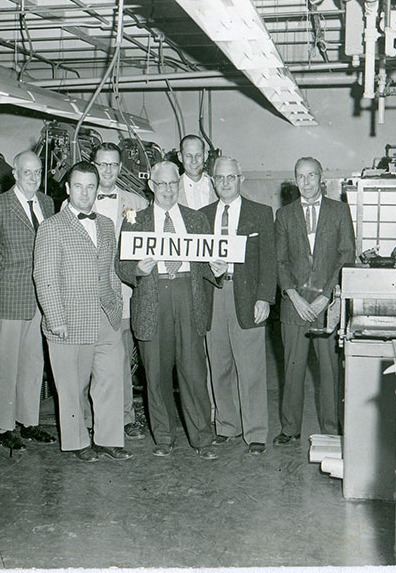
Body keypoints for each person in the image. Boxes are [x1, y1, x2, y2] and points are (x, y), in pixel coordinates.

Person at [116, 161, 219, 459]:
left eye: (173, 183)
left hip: (188, 295)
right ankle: (163, 438)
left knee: (194, 372)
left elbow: (208, 264)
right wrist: (136, 268)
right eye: (161, 184)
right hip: (153, 297)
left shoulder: (195, 219)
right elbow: (120, 265)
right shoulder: (135, 220)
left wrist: (219, 269)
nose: (167, 190)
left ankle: (202, 439)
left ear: (179, 184)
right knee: (157, 375)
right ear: (151, 186)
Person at [33, 161, 131, 462]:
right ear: (67, 188)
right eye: (79, 186)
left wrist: (116, 301)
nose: (85, 193)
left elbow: (111, 269)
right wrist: (56, 319)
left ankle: (109, 439)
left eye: (91, 187)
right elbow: (44, 277)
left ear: (97, 190)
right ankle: (77, 443)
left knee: (111, 379)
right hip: (69, 321)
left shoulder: (105, 223)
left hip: (106, 316)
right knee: (72, 387)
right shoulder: (51, 227)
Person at [274, 157, 355, 445]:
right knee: (292, 370)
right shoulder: (284, 215)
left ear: (321, 177)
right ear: (294, 180)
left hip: (327, 306)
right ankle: (290, 428)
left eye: (311, 176)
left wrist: (326, 296)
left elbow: (346, 257)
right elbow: (279, 261)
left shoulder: (340, 211)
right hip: (294, 306)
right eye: (300, 176)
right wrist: (293, 296)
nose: (306, 182)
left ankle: (332, 429)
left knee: (330, 372)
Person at [201, 157, 277, 455]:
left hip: (248, 297)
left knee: (252, 369)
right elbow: (197, 262)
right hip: (215, 295)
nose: (225, 183)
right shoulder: (202, 216)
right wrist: (210, 269)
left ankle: (256, 432)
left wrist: (265, 298)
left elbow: (269, 261)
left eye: (231, 177)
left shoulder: (260, 213)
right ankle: (227, 426)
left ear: (241, 178)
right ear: (212, 181)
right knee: (218, 365)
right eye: (220, 178)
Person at [0, 150, 57, 451]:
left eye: (37, 172)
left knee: (33, 361)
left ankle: (29, 422)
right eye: (26, 172)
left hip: (40, 296)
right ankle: (4, 424)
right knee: (7, 363)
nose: (33, 177)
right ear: (14, 173)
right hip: (10, 296)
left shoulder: (47, 203)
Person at [91, 142, 149, 440]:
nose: (108, 170)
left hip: (124, 293)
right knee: (92, 358)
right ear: (94, 164)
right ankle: (93, 418)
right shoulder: (76, 200)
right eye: (102, 164)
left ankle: (126, 417)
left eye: (114, 164)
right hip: (88, 296)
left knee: (123, 357)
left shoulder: (136, 203)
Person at [176, 134, 217, 209]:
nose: (194, 161)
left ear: (205, 155)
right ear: (180, 157)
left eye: (198, 155)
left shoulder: (217, 187)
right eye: (188, 156)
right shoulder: (173, 189)